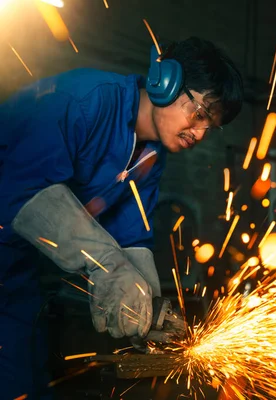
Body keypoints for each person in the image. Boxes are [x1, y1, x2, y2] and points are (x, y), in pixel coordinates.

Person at [0, 37, 243, 399]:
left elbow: (132, 237)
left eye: (211, 126)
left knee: (26, 385)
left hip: (16, 275)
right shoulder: (85, 100)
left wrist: (150, 312)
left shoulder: (150, 157)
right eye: (200, 114)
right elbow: (24, 192)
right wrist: (109, 268)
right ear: (166, 81)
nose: (201, 133)